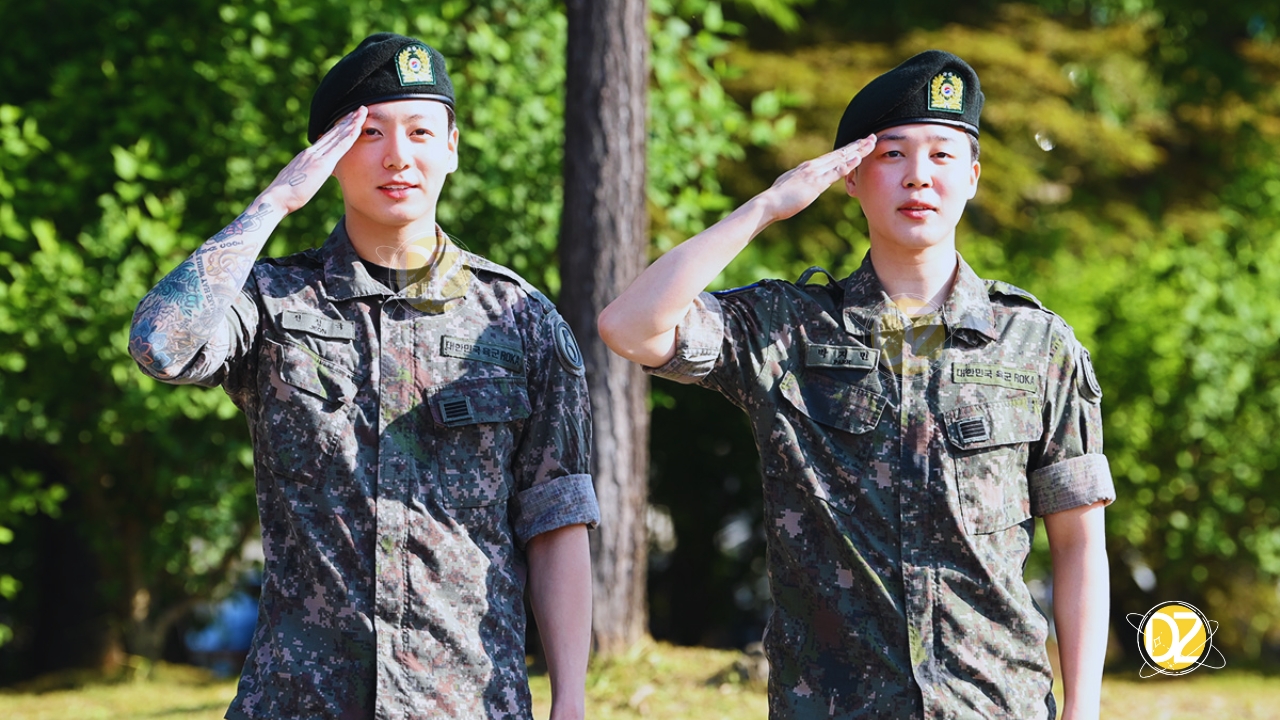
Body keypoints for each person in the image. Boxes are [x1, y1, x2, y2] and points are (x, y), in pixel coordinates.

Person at [599, 50, 1113, 719]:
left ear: (972, 177)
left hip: (994, 704)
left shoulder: (1037, 345)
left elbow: (1079, 543)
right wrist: (766, 208)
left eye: (942, 155)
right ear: (851, 177)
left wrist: (1082, 710)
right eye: (892, 155)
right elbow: (631, 327)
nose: (918, 176)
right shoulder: (788, 331)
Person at [129, 33, 598, 720]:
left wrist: (571, 701)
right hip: (298, 703)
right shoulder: (273, 302)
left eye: (420, 132)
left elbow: (556, 520)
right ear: (328, 156)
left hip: (466, 704)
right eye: (369, 133)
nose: (397, 156)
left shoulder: (518, 320)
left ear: (452, 148)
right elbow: (159, 346)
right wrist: (274, 203)